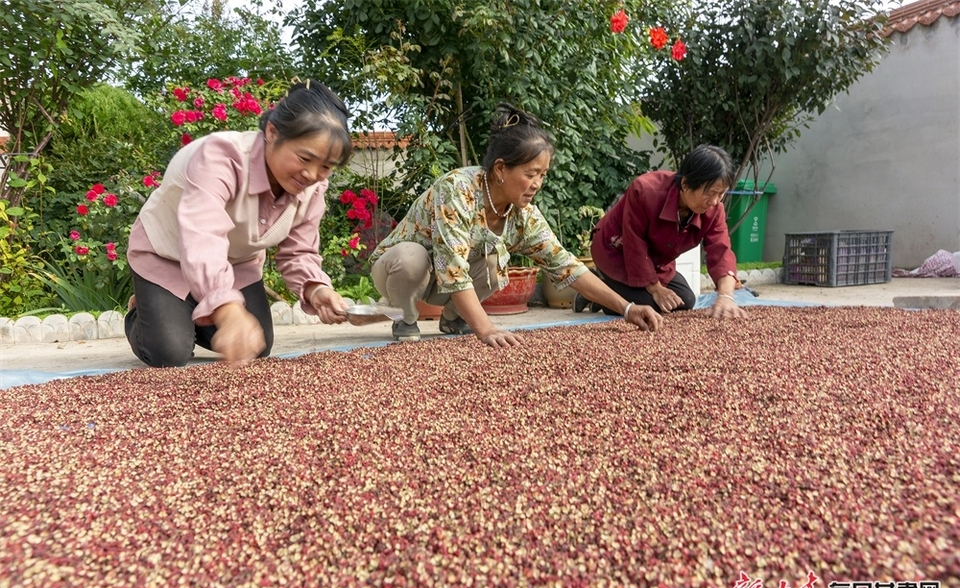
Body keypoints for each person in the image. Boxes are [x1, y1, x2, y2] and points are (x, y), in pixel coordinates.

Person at [368, 102, 663, 347]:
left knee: (496, 261)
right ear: (500, 169)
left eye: (543, 175)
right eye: (531, 173)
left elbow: (567, 266)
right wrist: (486, 329)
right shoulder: (457, 190)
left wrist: (626, 308)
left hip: (443, 283)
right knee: (411, 258)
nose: (537, 184)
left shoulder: (523, 215)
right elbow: (453, 268)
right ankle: (406, 319)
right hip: (399, 271)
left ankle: (455, 317)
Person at [124, 80, 353, 367]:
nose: (312, 174)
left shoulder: (312, 188)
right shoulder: (221, 157)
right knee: (168, 352)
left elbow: (299, 251)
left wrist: (316, 290)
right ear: (272, 132)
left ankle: (185, 307)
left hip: (235, 265)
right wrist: (228, 311)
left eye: (326, 166)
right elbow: (203, 238)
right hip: (167, 255)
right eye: (305, 158)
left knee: (257, 345)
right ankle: (144, 312)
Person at [582, 144, 748, 320]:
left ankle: (599, 295)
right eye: (710, 193)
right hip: (616, 251)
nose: (714, 201)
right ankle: (598, 288)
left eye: (721, 194)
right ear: (685, 184)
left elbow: (721, 250)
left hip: (655, 262)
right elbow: (634, 242)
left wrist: (725, 296)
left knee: (686, 301)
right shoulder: (645, 191)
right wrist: (655, 288)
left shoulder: (714, 210)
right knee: (647, 303)